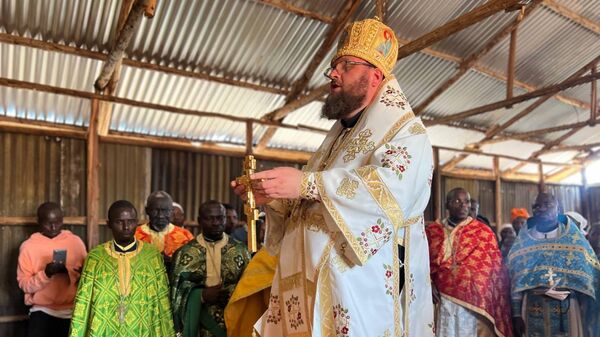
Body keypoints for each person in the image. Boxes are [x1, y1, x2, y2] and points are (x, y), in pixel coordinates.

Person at [232, 17, 435, 336]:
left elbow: (384, 198)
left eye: (345, 65)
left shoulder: (408, 136)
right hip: (309, 289)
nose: (332, 72)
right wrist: (276, 197)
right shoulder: (339, 138)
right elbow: (313, 201)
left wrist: (303, 183)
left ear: (375, 76)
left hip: (362, 302)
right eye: (334, 65)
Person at [69, 200, 175, 337]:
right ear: (109, 224)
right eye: (119, 222)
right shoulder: (95, 257)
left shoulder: (152, 256)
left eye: (131, 221)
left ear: (137, 223)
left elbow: (162, 301)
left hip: (143, 329)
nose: (126, 227)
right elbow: (83, 301)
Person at [507, 192, 600, 337]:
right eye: (536, 206)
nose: (541, 209)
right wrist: (517, 315)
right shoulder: (523, 242)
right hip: (532, 307)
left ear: (559, 208)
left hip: (567, 309)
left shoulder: (574, 240)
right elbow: (515, 281)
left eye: (547, 205)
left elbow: (591, 280)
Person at [426, 188, 513, 337]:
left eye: (466, 201)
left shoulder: (483, 232)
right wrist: (428, 283)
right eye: (457, 201)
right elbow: (422, 263)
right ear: (447, 205)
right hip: (440, 299)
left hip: (474, 303)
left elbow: (495, 271)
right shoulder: (432, 231)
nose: (463, 205)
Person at [170, 200, 251, 337]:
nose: (216, 223)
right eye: (210, 218)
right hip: (199, 328)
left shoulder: (241, 251)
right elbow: (175, 294)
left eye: (220, 218)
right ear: (199, 221)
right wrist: (201, 296)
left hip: (233, 324)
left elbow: (250, 288)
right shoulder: (185, 253)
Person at [17, 202, 87, 337]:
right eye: (48, 223)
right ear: (38, 221)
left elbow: (86, 277)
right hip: (42, 311)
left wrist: (70, 272)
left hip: (73, 311)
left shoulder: (75, 242)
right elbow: (24, 286)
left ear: (62, 220)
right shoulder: (28, 247)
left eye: (58, 222)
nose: (54, 227)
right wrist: (46, 274)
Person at [135, 191, 194, 264]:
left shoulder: (185, 236)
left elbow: (192, 264)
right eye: (155, 210)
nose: (160, 216)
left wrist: (173, 262)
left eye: (165, 211)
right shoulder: (135, 234)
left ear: (172, 211)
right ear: (147, 210)